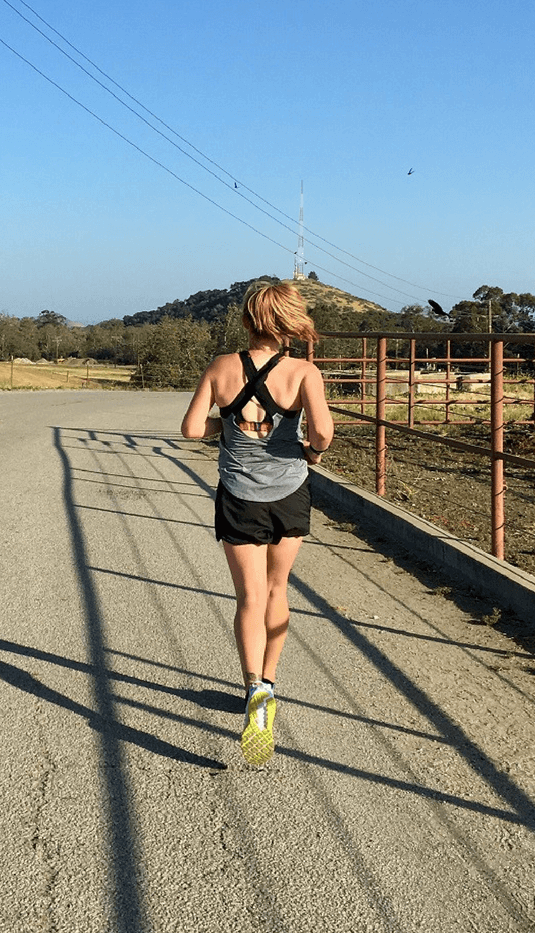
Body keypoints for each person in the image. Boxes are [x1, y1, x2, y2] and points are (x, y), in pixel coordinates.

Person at [180, 281, 333, 765]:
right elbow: (325, 433)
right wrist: (309, 452)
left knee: (248, 597)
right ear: (290, 323)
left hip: (238, 497)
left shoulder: (222, 366)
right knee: (277, 589)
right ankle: (270, 682)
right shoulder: (304, 371)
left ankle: (253, 691)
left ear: (247, 321)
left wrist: (224, 425)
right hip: (289, 494)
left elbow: (189, 429)